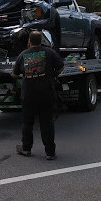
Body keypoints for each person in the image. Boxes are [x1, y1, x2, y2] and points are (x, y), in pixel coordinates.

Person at [11, 31, 64, 160]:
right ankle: (50, 152)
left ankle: (26, 148)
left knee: (27, 123)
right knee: (47, 123)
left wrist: (19, 75)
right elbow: (61, 67)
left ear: (29, 41)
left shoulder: (23, 55)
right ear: (41, 40)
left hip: (28, 95)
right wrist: (53, 75)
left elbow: (15, 73)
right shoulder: (49, 52)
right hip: (46, 93)